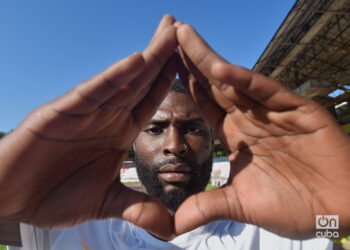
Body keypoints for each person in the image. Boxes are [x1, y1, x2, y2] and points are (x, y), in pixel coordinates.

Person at [0, 14, 349, 249]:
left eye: (192, 128)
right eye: (155, 128)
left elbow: (330, 231)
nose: (174, 145)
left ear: (214, 140)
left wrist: (342, 216)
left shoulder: (274, 229)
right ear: (131, 142)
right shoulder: (73, 222)